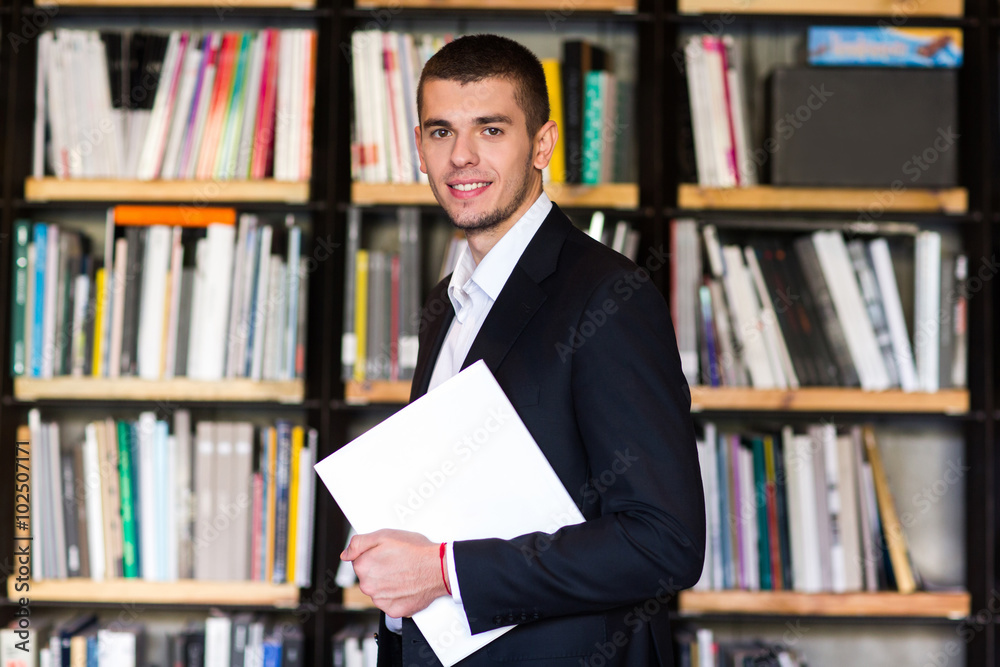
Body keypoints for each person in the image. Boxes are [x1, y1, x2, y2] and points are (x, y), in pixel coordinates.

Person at [340, 33, 705, 667]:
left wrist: (444, 570)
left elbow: (663, 543)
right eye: (440, 132)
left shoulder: (610, 295)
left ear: (542, 143)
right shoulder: (445, 305)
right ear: (418, 149)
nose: (462, 158)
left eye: (490, 130)